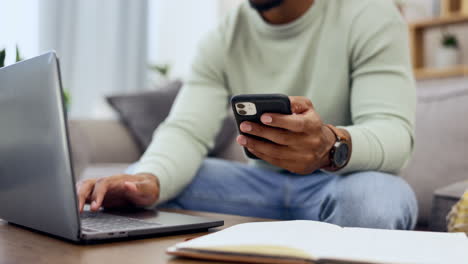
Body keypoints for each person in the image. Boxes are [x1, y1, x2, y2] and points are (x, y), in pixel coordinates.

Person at [76, 0, 418, 229]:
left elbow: (395, 134)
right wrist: (149, 179)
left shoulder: (370, 14)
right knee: (137, 182)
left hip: (341, 183)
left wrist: (330, 146)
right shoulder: (223, 37)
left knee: (376, 199)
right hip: (257, 186)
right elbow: (186, 132)